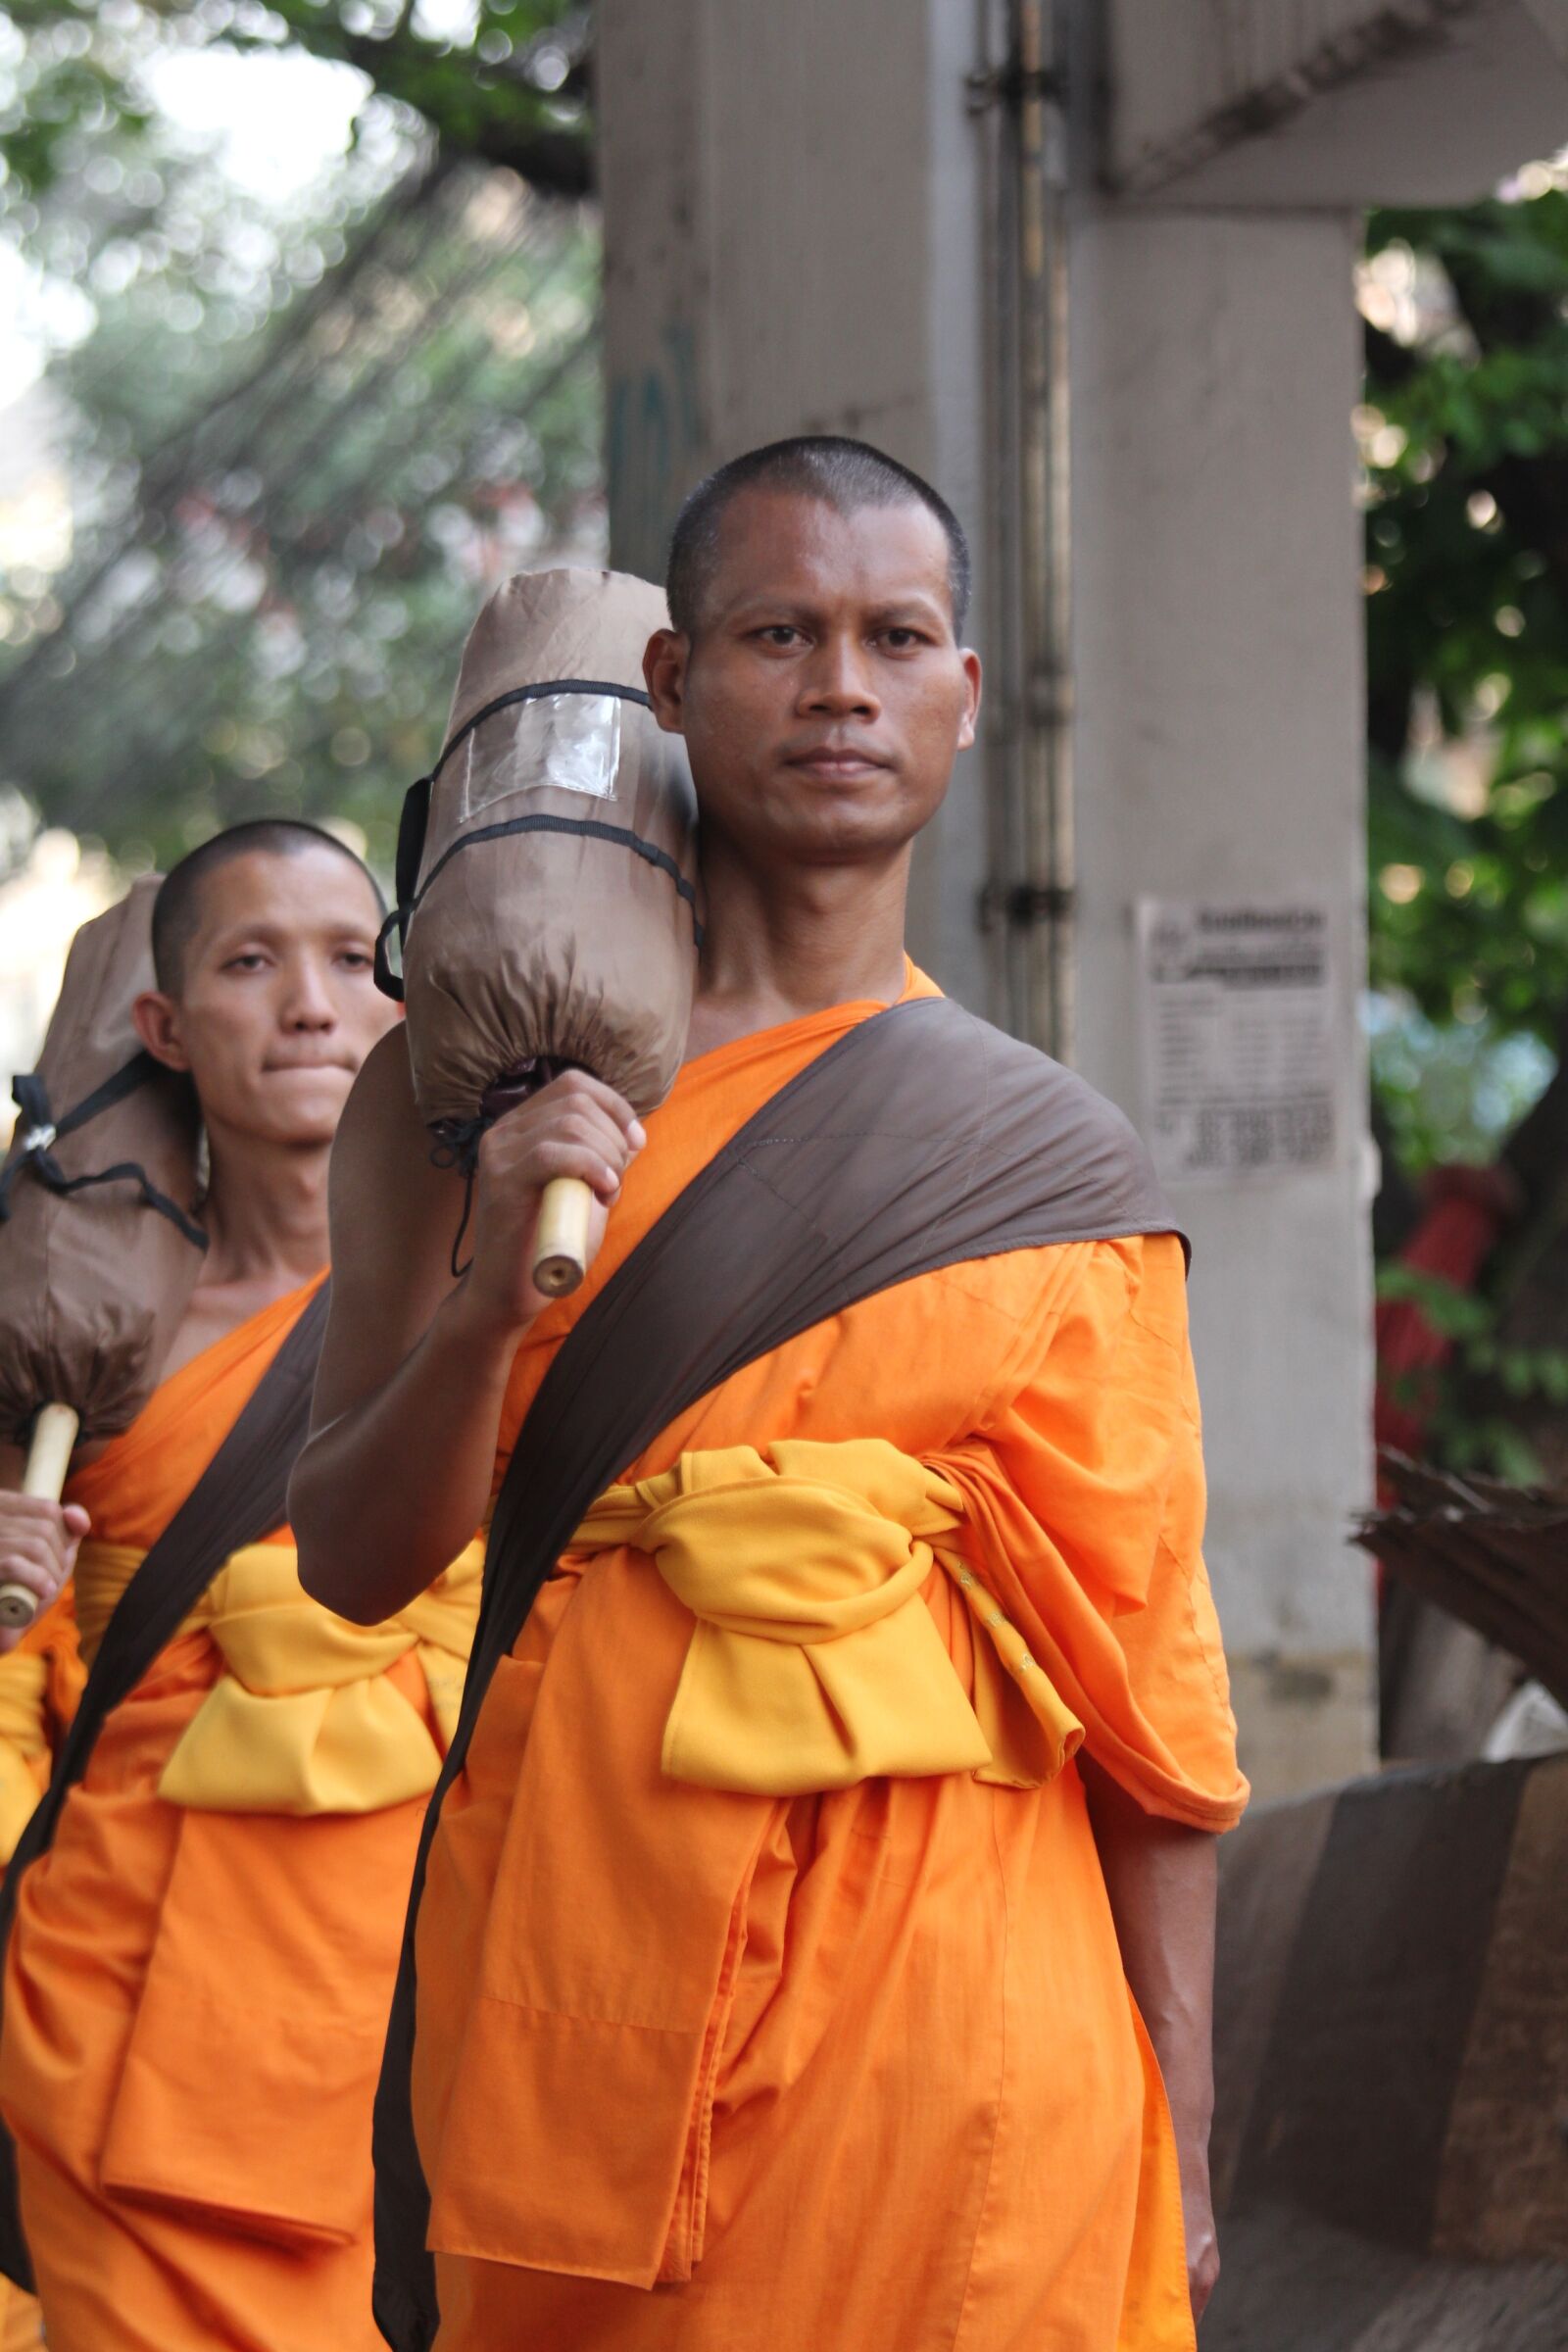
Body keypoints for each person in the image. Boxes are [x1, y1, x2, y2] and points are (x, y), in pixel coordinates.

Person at [294, 437, 1249, 2352]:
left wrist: (1183, 2097)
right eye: (773, 634)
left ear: (962, 700)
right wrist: (492, 1282)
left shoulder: (1046, 1167)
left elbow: (1145, 1704)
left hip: (968, 2027)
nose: (837, 687)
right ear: (668, 682)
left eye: (894, 638)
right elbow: (349, 1565)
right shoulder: (458, 1112)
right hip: (574, 1980)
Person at [0, 820, 484, 2352]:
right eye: (250, 963)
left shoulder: (512, 1295)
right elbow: (24, 1701)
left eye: (353, 961)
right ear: (163, 1024)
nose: (312, 1007)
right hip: (128, 2000)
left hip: (437, 1989)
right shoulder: (82, 1361)